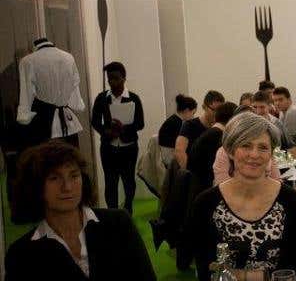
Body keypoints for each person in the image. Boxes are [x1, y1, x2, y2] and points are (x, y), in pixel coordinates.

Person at [6, 142, 159, 281]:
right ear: (36, 187)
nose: (67, 187)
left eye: (74, 176)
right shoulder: (22, 253)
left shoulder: (118, 223)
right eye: (54, 178)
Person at [188, 113, 296, 281]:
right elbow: (208, 275)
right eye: (246, 145)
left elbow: (294, 270)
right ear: (230, 150)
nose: (254, 155)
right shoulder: (206, 203)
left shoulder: (290, 200)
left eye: (263, 148)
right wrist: (260, 279)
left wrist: (238, 275)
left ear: (271, 154)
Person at [91, 61, 145, 214]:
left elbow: (140, 123)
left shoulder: (133, 98)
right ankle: (113, 213)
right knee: (110, 182)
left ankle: (128, 209)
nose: (112, 82)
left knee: (128, 181)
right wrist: (106, 131)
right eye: (109, 79)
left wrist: (123, 128)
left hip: (129, 147)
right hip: (108, 147)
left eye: (116, 78)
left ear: (124, 78)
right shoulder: (102, 98)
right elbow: (95, 121)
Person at [16, 38, 86, 148]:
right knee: (69, 155)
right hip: (68, 121)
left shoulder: (27, 61)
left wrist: (24, 117)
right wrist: (77, 105)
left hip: (44, 121)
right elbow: (75, 93)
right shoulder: (68, 57)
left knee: (48, 155)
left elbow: (26, 94)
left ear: (33, 47)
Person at [187, 102, 237, 190]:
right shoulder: (218, 137)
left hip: (196, 185)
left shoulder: (211, 133)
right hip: (204, 188)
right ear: (232, 120)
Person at [174, 90, 225, 169]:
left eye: (219, 111)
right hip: (195, 171)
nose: (217, 114)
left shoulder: (220, 127)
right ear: (204, 107)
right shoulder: (189, 125)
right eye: (213, 110)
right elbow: (179, 151)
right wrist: (188, 172)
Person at [158, 93, 197, 165]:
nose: (193, 117)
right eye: (193, 113)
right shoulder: (176, 123)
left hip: (169, 154)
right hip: (170, 158)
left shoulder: (175, 120)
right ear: (187, 110)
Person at [272, 86, 296, 153]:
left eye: (280, 100)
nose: (277, 103)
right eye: (275, 100)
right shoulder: (282, 112)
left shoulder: (292, 112)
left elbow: (288, 140)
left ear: (289, 100)